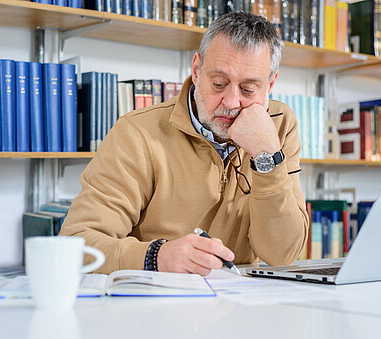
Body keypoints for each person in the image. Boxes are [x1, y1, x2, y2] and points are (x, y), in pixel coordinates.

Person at [59, 12, 309, 275]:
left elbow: (282, 254)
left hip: (240, 303)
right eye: (219, 83)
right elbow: (76, 246)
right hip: (152, 303)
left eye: (248, 90)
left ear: (270, 85)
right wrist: (155, 257)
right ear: (196, 69)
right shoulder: (136, 132)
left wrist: (267, 157)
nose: (232, 102)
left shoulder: (279, 124)